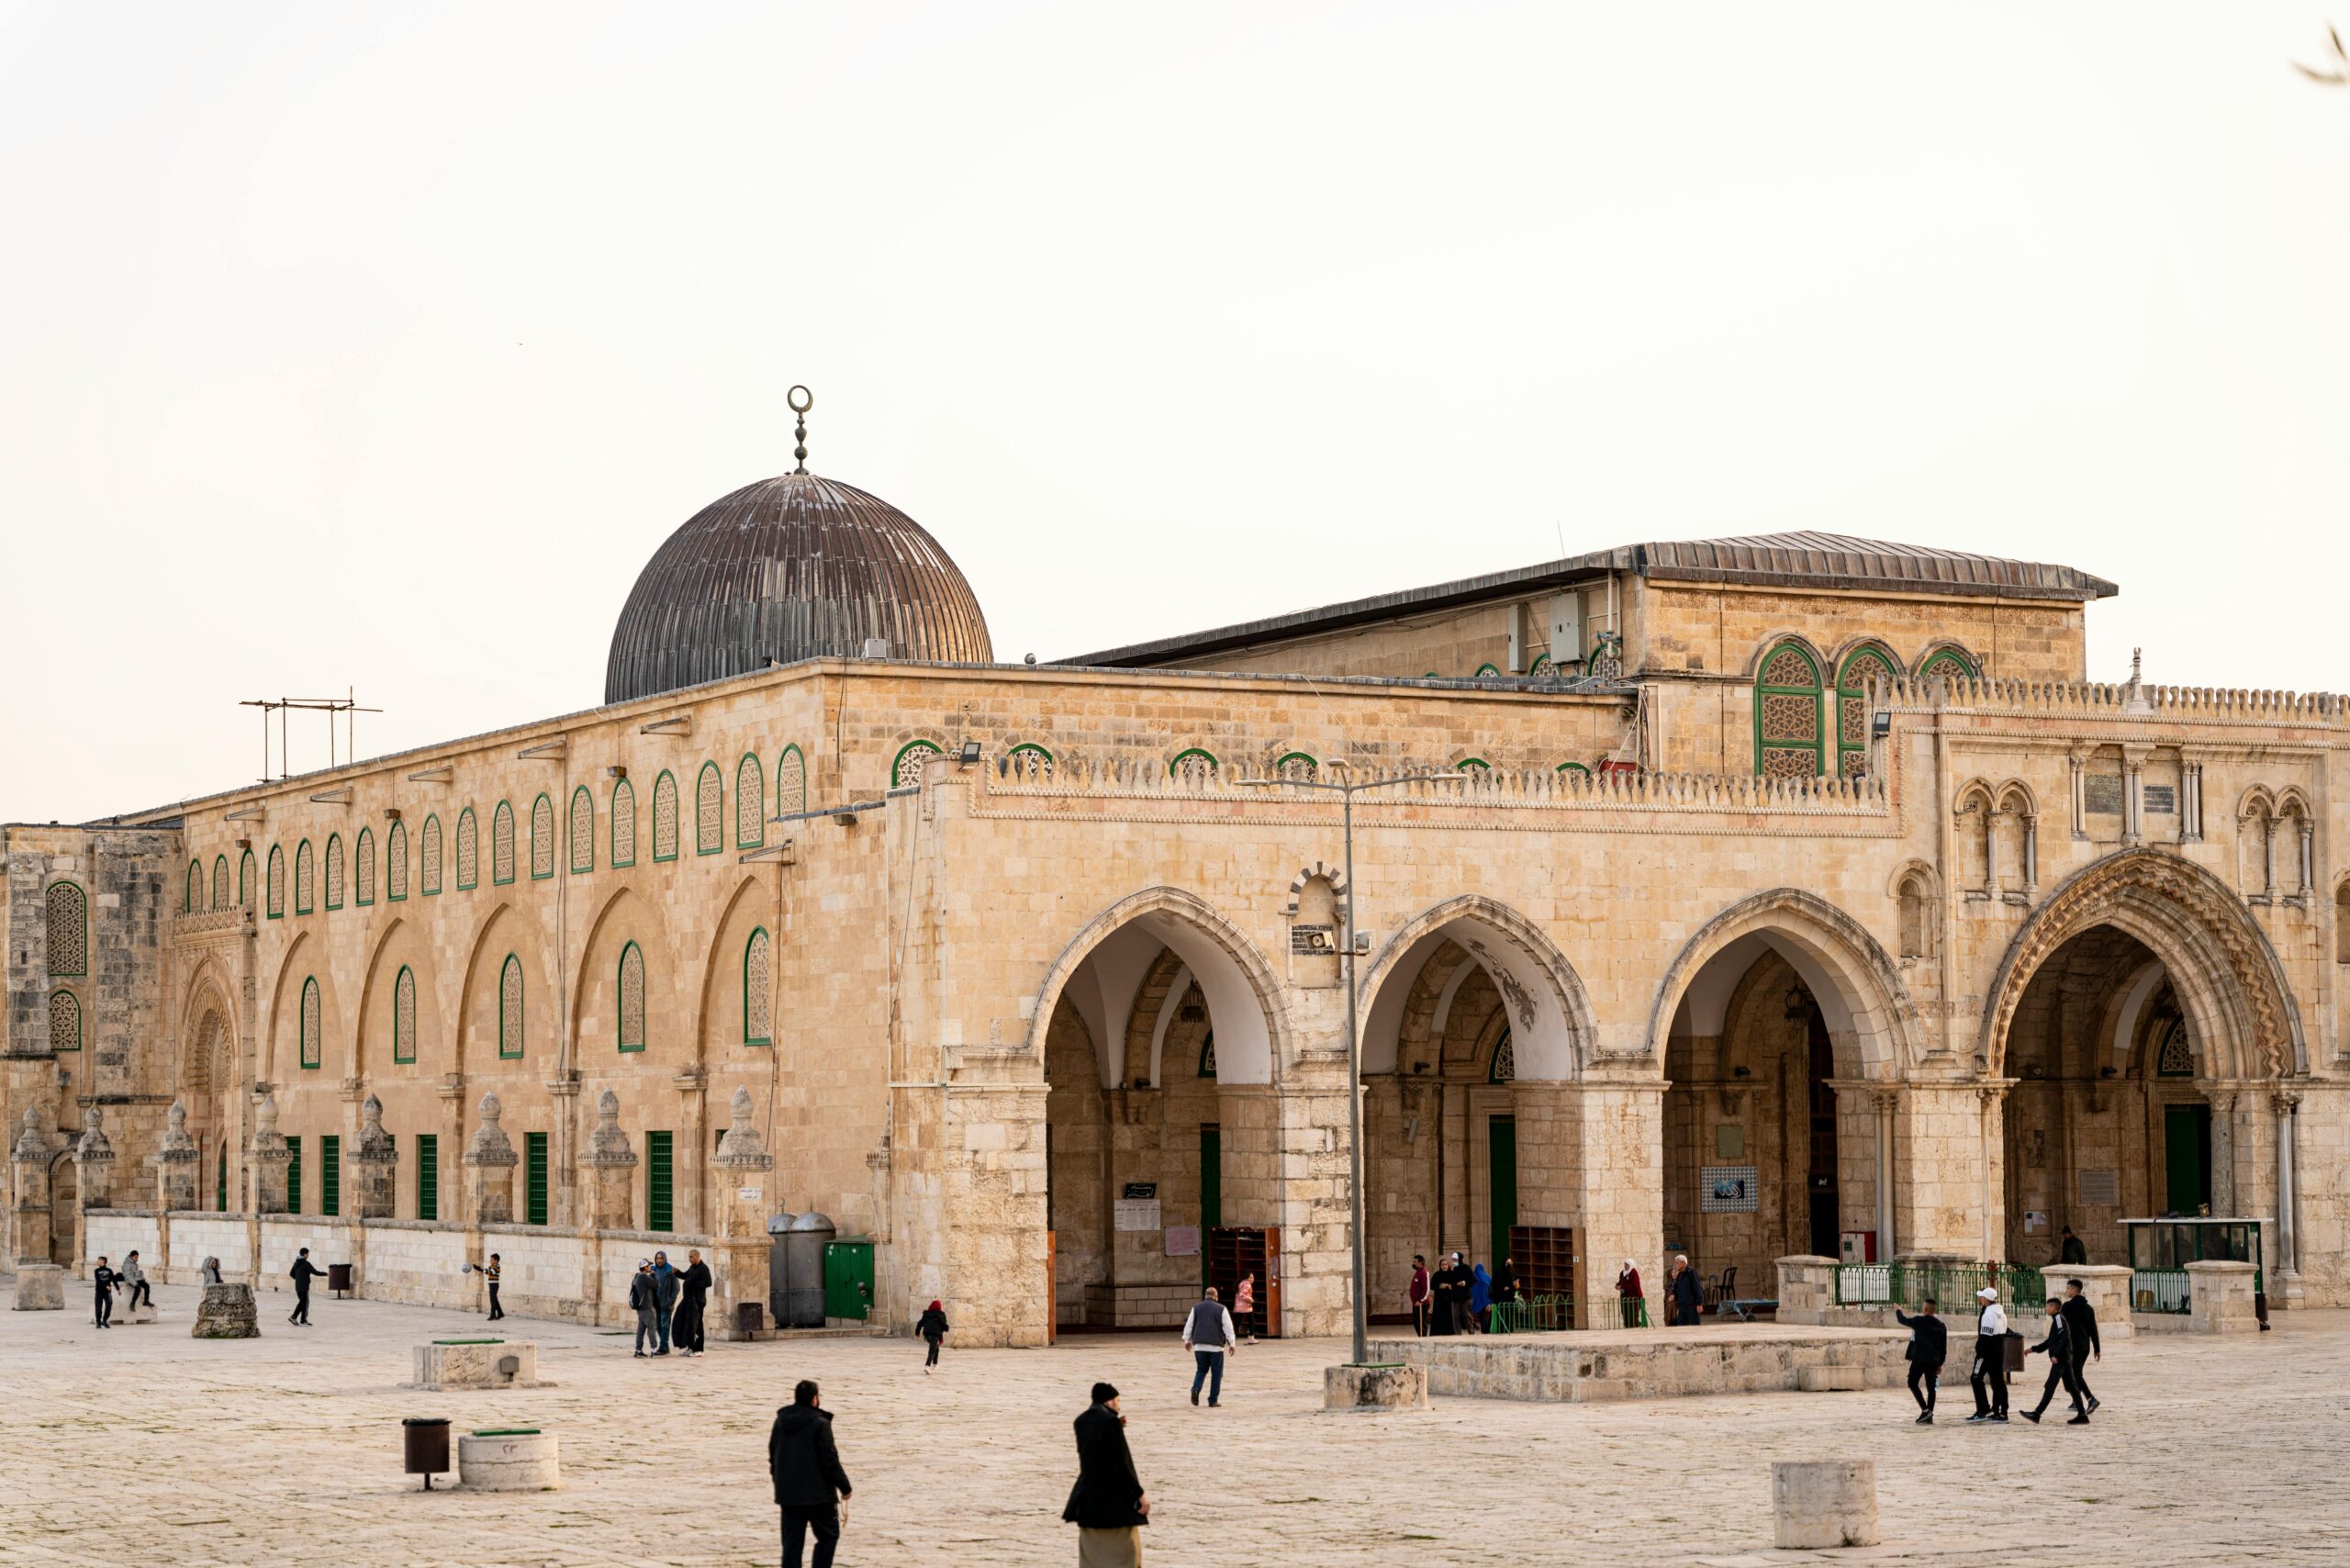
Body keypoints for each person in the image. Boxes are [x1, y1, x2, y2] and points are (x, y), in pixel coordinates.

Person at [768, 1378, 852, 1568]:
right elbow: (830, 1459)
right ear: (814, 1399)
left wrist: (779, 1482)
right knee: (828, 1536)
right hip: (819, 1496)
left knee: (791, 1544)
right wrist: (845, 1487)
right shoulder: (820, 1424)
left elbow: (773, 1455)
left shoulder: (781, 1422)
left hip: (789, 1495)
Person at [1064, 1382, 1147, 1568]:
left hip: (1087, 1499)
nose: (1119, 1405)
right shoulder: (1110, 1423)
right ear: (1108, 1401)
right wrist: (1139, 1495)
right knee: (1128, 1553)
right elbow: (1120, 1463)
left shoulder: (1081, 1421)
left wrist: (1115, 1426)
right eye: (1117, 1401)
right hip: (1113, 1501)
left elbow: (1096, 1447)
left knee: (1092, 1556)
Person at [2020, 1296, 2087, 1425]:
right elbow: (2050, 1342)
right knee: (2072, 1387)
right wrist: (2034, 1349)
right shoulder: (2055, 1320)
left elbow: (2064, 1338)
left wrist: (2056, 1355)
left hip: (2061, 1360)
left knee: (2050, 1386)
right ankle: (2082, 1414)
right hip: (2064, 1359)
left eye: (2048, 1306)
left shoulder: (2059, 1319)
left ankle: (2037, 1413)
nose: (2046, 1308)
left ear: (2054, 1308)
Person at [1894, 1295, 1947, 1423]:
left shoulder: (1918, 1321)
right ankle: (1929, 1414)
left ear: (1925, 1310)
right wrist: (1940, 1363)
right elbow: (1943, 1348)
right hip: (1933, 1361)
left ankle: (1925, 1410)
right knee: (1931, 1389)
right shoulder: (1941, 1326)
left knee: (1912, 1383)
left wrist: (1898, 1310)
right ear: (1933, 1310)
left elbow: (1902, 1320)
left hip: (1918, 1361)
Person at [1182, 1285, 1237, 1407]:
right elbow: (1228, 1327)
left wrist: (1187, 1340)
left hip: (1199, 1345)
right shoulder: (1222, 1309)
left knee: (1201, 1369)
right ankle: (1212, 1400)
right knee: (1217, 1373)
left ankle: (1195, 1388)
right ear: (1216, 1296)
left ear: (1205, 1296)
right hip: (1216, 1346)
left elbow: (1189, 1324)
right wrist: (1231, 1343)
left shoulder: (1196, 1307)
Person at [1965, 1286, 2009, 1422]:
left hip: (1986, 1354)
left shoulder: (1988, 1315)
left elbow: (1985, 1338)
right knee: (1998, 1382)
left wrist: (1979, 1354)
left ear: (1986, 1299)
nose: (1980, 1299)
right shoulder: (2001, 1314)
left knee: (1975, 1378)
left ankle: (1983, 1410)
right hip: (1998, 1353)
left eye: (1981, 1297)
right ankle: (2001, 1412)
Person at [2060, 1278, 2102, 1415]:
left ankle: (2091, 1399)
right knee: (2074, 1373)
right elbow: (2093, 1329)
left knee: (2075, 1374)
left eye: (2068, 1289)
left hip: (2073, 1347)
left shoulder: (2066, 1307)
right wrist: (2097, 1349)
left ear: (2074, 1290)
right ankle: (2075, 1401)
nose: (2066, 1291)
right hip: (2085, 1347)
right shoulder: (2088, 1308)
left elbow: (2061, 1328)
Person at [674, 1249, 711, 1357]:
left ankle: (699, 1349)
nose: (689, 1259)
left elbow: (708, 1282)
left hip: (698, 1301)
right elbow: (686, 1276)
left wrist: (693, 1283)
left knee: (698, 1324)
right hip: (689, 1301)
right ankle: (691, 1347)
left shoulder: (704, 1268)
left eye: (691, 1257)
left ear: (697, 1257)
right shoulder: (692, 1268)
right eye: (689, 1257)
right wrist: (677, 1272)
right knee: (690, 1324)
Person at [629, 1259, 660, 1357]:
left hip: (640, 1307)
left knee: (641, 1329)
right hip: (647, 1307)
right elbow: (657, 1284)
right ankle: (654, 1350)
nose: (650, 1268)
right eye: (649, 1266)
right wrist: (654, 1274)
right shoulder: (644, 1277)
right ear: (646, 1267)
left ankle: (638, 1350)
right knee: (652, 1328)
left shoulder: (637, 1276)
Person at [651, 1249, 679, 1356]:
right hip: (656, 1304)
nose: (659, 1260)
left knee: (664, 1325)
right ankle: (664, 1346)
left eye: (661, 1258)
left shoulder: (670, 1271)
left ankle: (663, 1347)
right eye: (657, 1258)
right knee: (658, 1325)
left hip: (666, 1304)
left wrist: (670, 1301)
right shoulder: (653, 1270)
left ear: (664, 1259)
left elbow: (676, 1288)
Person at [288, 1248, 324, 1326]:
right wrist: (325, 1274)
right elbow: (315, 1272)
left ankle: (296, 1318)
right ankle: (300, 1320)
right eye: (307, 1254)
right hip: (304, 1287)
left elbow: (291, 1274)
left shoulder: (296, 1263)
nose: (308, 1255)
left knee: (303, 1302)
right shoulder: (306, 1264)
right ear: (304, 1254)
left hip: (298, 1286)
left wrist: (298, 1279)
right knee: (305, 1303)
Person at [1669, 1255, 1705, 1328]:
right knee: (1681, 1328)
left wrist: (1699, 1303)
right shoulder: (1679, 1275)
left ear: (1683, 1263)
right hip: (1682, 1306)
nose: (1675, 1265)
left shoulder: (1691, 1273)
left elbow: (1698, 1288)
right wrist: (1674, 1280)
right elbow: (1678, 1290)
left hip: (1692, 1306)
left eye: (1677, 1263)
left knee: (1695, 1328)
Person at [917, 1298, 950, 1372]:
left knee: (936, 1348)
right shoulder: (940, 1315)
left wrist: (917, 1332)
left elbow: (920, 1323)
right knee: (932, 1350)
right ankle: (927, 1366)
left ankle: (935, 1364)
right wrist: (947, 1328)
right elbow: (943, 1326)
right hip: (935, 1335)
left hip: (927, 1334)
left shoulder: (926, 1314)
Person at [1616, 1259, 1646, 1327]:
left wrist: (1622, 1287)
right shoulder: (1622, 1273)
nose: (1625, 1266)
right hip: (1624, 1298)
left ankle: (1636, 1329)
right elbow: (1620, 1282)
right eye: (1625, 1264)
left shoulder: (1633, 1273)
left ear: (1630, 1265)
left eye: (1627, 1264)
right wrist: (1617, 1285)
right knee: (1625, 1315)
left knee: (1632, 1316)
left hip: (1633, 1299)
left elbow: (1635, 1286)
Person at [92, 1255, 119, 1328]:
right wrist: (106, 1286)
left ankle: (104, 1320)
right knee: (98, 1308)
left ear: (103, 1261)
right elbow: (98, 1281)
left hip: (107, 1292)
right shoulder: (96, 1271)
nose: (97, 1261)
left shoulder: (109, 1270)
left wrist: (118, 1289)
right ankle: (98, 1323)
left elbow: (113, 1280)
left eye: (99, 1260)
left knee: (109, 1305)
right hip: (99, 1291)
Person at [1409, 1254, 1432, 1337]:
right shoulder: (1418, 1272)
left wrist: (1421, 1301)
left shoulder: (1424, 1273)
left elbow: (1426, 1289)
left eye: (1415, 1262)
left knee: (1422, 1323)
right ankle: (1421, 1336)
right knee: (1416, 1322)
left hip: (1422, 1303)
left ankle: (1423, 1338)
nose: (1413, 1263)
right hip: (1416, 1303)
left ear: (1420, 1263)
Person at [121, 1249, 151, 1315]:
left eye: (137, 1257)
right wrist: (135, 1283)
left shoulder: (133, 1263)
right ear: (131, 1256)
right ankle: (132, 1303)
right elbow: (127, 1275)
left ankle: (146, 1301)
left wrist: (142, 1279)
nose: (137, 1259)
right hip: (129, 1280)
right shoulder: (127, 1264)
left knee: (147, 1286)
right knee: (138, 1288)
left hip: (135, 1279)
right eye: (135, 1257)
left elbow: (135, 1273)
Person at [1233, 1274, 1257, 1344]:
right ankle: (1251, 1338)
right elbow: (1242, 1295)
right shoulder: (1247, 1284)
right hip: (1246, 1307)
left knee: (1237, 1323)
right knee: (1252, 1322)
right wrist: (1251, 1300)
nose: (1253, 1279)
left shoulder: (1241, 1283)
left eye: (1253, 1277)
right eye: (1251, 1277)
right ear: (1247, 1278)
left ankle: (1231, 1338)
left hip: (1239, 1306)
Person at [1469, 1262, 1492, 1331]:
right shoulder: (1487, 1277)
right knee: (1485, 1315)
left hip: (1476, 1299)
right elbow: (1491, 1287)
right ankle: (1486, 1329)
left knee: (1480, 1315)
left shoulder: (1473, 1277)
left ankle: (1482, 1328)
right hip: (1486, 1299)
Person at [484, 1252, 505, 1321]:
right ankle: (500, 1313)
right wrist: (480, 1269)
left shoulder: (497, 1266)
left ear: (496, 1261)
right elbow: (487, 1271)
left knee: (493, 1300)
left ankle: (493, 1314)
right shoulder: (491, 1266)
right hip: (491, 1284)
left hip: (494, 1285)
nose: (490, 1261)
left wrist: (482, 1270)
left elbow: (491, 1272)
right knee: (494, 1300)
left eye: (492, 1260)